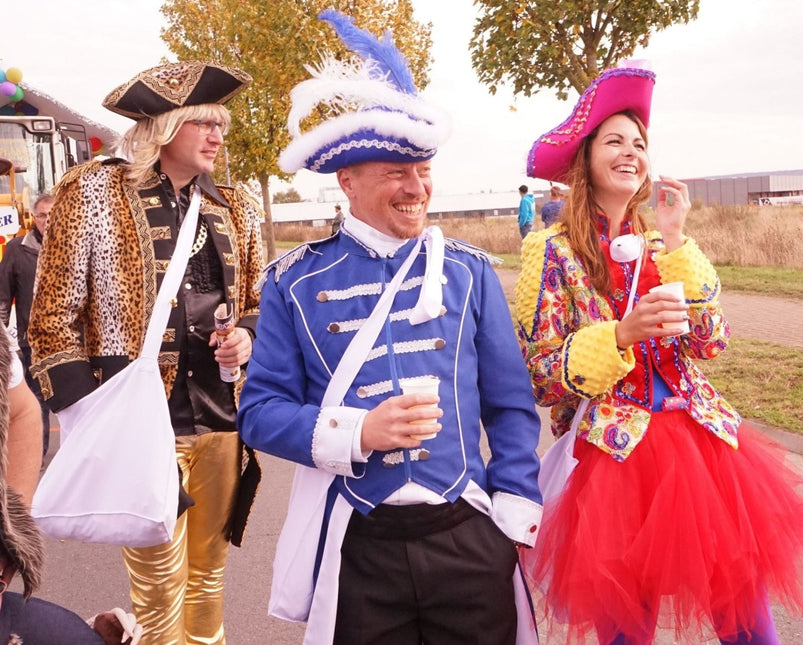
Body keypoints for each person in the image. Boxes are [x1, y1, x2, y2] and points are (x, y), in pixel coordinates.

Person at [238, 11, 543, 645]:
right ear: (347, 182)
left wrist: (513, 512)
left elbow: (511, 405)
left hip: (467, 534)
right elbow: (260, 412)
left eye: (423, 170)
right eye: (396, 173)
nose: (416, 188)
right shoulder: (292, 281)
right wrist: (357, 431)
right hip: (359, 547)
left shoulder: (469, 271)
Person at [515, 63, 803, 645]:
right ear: (586, 159)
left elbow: (711, 342)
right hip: (612, 460)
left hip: (707, 450)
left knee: (748, 621)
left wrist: (675, 239)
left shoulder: (661, 243)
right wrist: (618, 337)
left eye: (639, 143)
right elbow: (542, 374)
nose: (631, 152)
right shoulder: (551, 254)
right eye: (615, 141)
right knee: (627, 627)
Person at [28, 61, 265, 645]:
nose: (217, 136)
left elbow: (259, 300)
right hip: (141, 422)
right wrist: (90, 416)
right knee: (159, 590)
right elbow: (52, 318)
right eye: (204, 123)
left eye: (221, 125)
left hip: (220, 416)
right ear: (164, 126)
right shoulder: (93, 191)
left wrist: (248, 336)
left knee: (209, 579)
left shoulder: (237, 206)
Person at [0, 194, 54, 459]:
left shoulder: (75, 245)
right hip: (33, 342)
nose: (48, 220)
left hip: (75, 342)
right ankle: (37, 459)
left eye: (53, 214)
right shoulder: (17, 249)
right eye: (43, 215)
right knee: (38, 403)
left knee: (79, 406)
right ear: (34, 217)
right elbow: (2, 296)